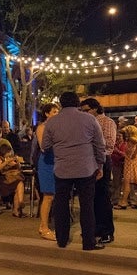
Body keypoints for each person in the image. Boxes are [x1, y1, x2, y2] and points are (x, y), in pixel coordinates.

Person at [40, 92, 106, 251]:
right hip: (86, 168)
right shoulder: (90, 119)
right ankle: (88, 242)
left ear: (61, 104)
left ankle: (61, 240)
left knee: (61, 204)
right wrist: (100, 165)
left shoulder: (52, 122)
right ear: (77, 103)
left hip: (62, 169)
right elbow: (99, 144)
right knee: (87, 205)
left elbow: (45, 145)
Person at [81, 98, 116, 243]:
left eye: (87, 110)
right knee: (91, 197)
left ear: (95, 108)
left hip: (102, 160)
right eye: (82, 111)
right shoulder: (85, 122)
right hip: (88, 161)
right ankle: (94, 228)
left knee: (102, 197)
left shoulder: (106, 122)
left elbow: (108, 144)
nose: (84, 113)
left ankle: (106, 231)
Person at [34, 103, 59, 240]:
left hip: (57, 163)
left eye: (57, 111)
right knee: (48, 196)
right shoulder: (42, 127)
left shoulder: (57, 127)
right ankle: (43, 227)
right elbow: (44, 147)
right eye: (54, 111)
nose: (57, 114)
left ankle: (50, 224)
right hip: (47, 163)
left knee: (55, 196)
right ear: (47, 114)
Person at [115, 125, 137, 210]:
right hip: (135, 161)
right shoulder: (136, 138)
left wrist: (134, 153)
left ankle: (123, 202)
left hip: (131, 161)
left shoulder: (131, 138)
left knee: (127, 182)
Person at [0, 145, 25, 217]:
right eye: (8, 152)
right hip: (3, 179)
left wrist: (17, 163)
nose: (10, 154)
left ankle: (19, 203)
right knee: (18, 184)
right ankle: (19, 205)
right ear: (4, 151)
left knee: (19, 183)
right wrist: (7, 162)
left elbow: (19, 168)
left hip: (13, 178)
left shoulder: (10, 158)